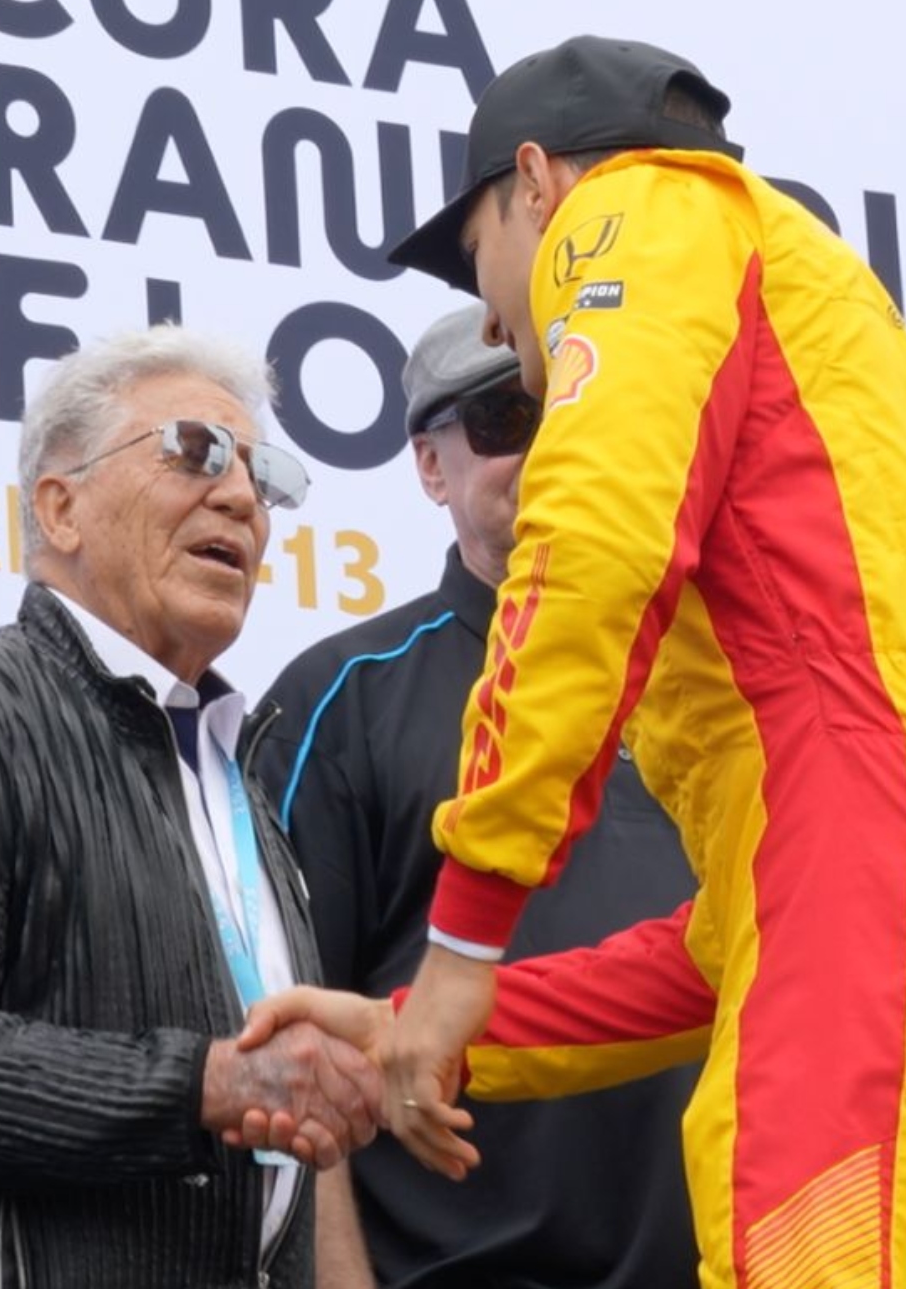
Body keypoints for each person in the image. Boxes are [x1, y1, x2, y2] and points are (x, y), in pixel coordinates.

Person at [245, 35, 906, 1289]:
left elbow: (590, 547)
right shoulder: (832, 326)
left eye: (482, 256)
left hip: (883, 897)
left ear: (537, 184)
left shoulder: (634, 213)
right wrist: (407, 1034)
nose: (493, 314)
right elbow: (735, 945)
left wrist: (459, 947)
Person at [0, 326, 382, 1288]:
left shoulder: (238, 782)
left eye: (260, 473)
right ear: (60, 508)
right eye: (194, 450)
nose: (242, 496)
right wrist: (207, 1083)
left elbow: (298, 1157)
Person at [254, 305, 700, 1289]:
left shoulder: (717, 692)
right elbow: (287, 1040)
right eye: (505, 420)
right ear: (429, 464)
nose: (548, 447)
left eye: (575, 412)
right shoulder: (345, 698)